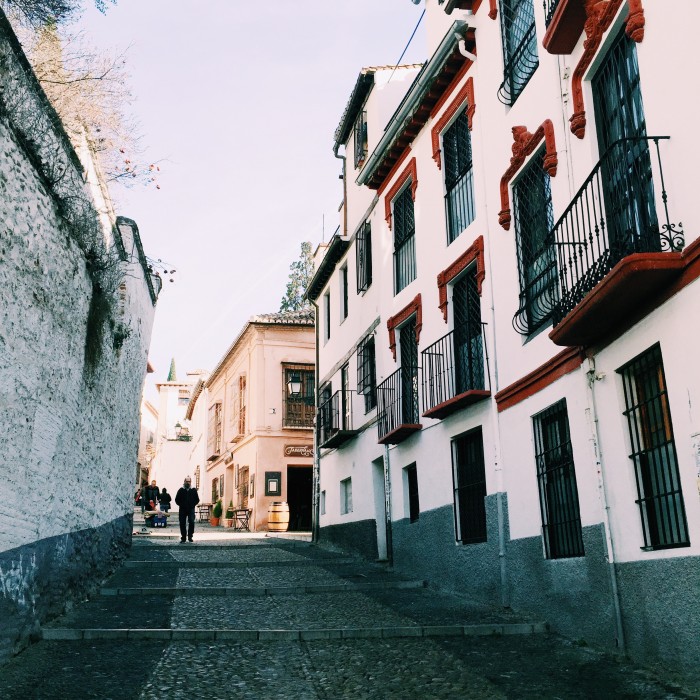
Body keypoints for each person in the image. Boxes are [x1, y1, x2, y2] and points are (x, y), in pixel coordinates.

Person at [175, 476, 200, 543]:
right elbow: (177, 499)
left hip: (191, 509)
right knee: (182, 523)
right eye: (187, 481)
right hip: (182, 509)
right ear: (184, 482)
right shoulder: (181, 490)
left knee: (191, 522)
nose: (188, 483)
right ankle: (183, 537)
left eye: (189, 481)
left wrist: (192, 505)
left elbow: (197, 499)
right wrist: (181, 505)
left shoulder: (193, 490)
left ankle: (190, 536)